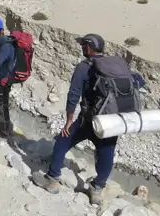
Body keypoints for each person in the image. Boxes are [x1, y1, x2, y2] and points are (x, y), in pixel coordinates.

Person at [32, 33, 146, 205]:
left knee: (63, 140)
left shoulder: (85, 67)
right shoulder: (114, 67)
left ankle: (52, 179)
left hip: (89, 120)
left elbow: (73, 94)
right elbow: (139, 81)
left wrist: (69, 120)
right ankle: (97, 189)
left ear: (88, 47)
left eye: (83, 46)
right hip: (111, 121)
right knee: (106, 153)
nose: (81, 48)